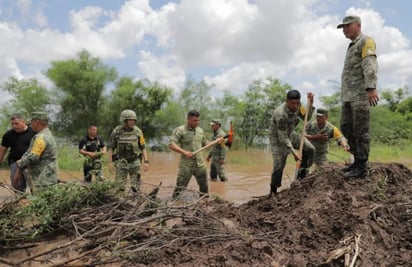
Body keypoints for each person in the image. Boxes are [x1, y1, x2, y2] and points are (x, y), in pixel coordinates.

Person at [337, 15, 379, 178]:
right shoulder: (351, 46)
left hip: (361, 95)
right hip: (348, 96)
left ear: (358, 25)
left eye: (348, 26)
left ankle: (361, 165)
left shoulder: (365, 41)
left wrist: (371, 88)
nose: (345, 30)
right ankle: (356, 161)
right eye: (343, 27)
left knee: (361, 130)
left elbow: (369, 64)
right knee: (346, 126)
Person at [269, 90, 315, 195]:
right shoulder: (280, 114)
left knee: (310, 149)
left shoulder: (299, 106)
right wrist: (294, 152)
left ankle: (302, 177)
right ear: (287, 101)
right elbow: (283, 138)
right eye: (292, 103)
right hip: (277, 139)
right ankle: (273, 190)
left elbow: (307, 117)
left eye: (297, 103)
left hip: (290, 134)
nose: (295, 106)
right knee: (279, 165)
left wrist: (311, 103)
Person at [169, 110, 218, 198]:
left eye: (198, 120)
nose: (197, 123)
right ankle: (175, 206)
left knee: (204, 190)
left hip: (200, 164)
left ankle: (204, 205)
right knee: (179, 190)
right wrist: (184, 152)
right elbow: (171, 144)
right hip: (186, 165)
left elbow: (205, 144)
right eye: (194, 121)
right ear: (188, 120)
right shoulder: (180, 130)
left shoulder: (200, 130)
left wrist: (216, 141)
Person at [14, 112, 59, 193]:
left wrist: (19, 164)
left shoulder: (40, 137)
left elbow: (33, 156)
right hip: (50, 176)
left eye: (32, 122)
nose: (31, 125)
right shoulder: (48, 135)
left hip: (41, 178)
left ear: (37, 122)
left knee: (41, 199)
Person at [108, 109, 149, 192]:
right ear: (124, 121)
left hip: (135, 162)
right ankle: (120, 203)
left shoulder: (138, 131)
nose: (132, 122)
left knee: (136, 188)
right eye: (130, 120)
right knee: (120, 187)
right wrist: (110, 163)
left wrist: (146, 162)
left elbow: (143, 147)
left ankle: (136, 203)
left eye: (134, 120)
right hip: (121, 162)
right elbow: (111, 148)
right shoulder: (117, 132)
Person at [0, 114, 37, 192]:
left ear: (23, 122)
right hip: (15, 162)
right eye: (12, 124)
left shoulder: (34, 133)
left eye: (16, 123)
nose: (14, 126)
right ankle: (19, 199)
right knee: (16, 184)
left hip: (30, 163)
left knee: (33, 186)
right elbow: (2, 150)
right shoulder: (8, 135)